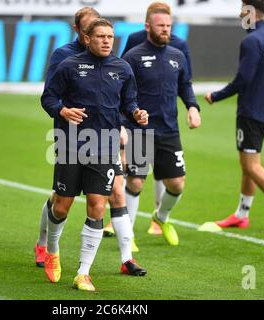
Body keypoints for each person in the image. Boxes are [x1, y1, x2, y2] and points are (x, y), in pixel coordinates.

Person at [35, 7, 146, 275]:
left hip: (106, 146)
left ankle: (83, 272)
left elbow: (129, 102)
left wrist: (136, 114)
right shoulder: (68, 65)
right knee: (61, 205)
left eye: (110, 36)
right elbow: (48, 97)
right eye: (101, 36)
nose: (107, 41)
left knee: (98, 205)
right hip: (72, 143)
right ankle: (51, 250)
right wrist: (61, 111)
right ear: (87, 38)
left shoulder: (122, 68)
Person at [205, 0, 264, 231]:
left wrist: (216, 96)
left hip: (250, 112)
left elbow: (243, 79)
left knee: (252, 166)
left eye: (242, 9)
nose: (240, 13)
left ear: (251, 12)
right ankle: (242, 214)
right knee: (248, 164)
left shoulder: (251, 41)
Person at [104, 1, 194, 238]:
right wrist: (123, 122)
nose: (165, 29)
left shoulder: (178, 54)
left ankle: (160, 217)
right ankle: (128, 235)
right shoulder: (133, 56)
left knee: (177, 184)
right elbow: (121, 88)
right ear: (147, 26)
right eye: (161, 25)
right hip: (140, 130)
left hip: (169, 130)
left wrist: (193, 107)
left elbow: (185, 85)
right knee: (135, 182)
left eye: (168, 25)